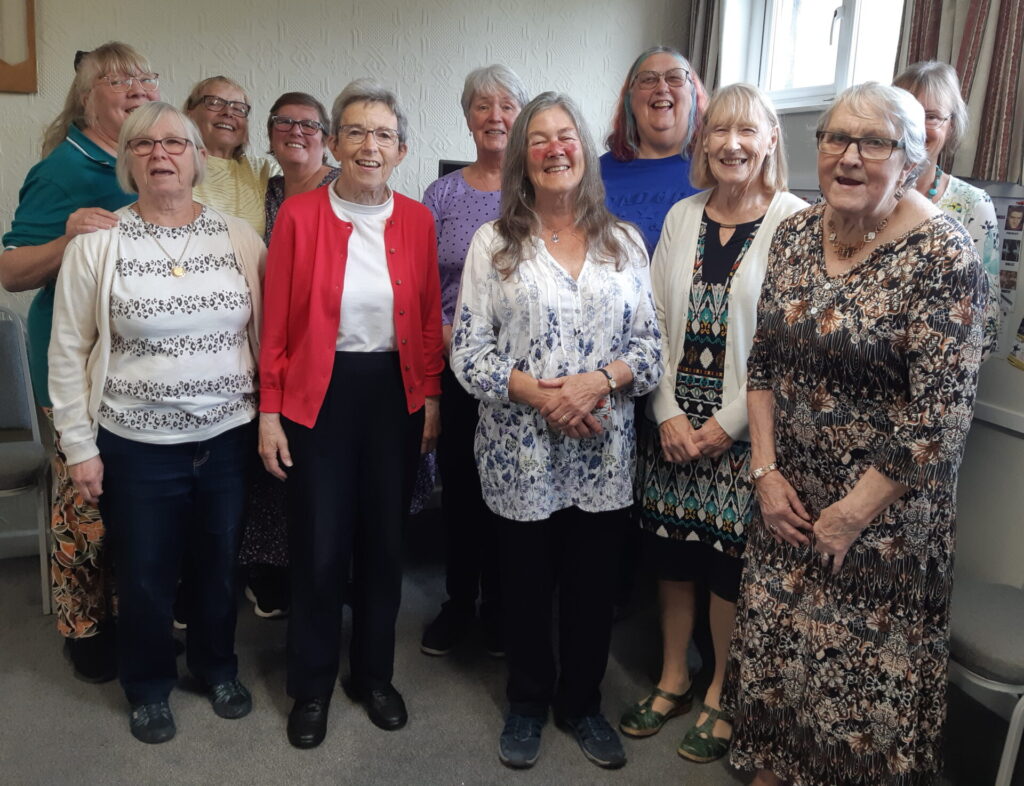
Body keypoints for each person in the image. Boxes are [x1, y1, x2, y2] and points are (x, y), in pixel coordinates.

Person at [723, 83, 987, 786]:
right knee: (779, 670)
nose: (848, 156)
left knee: (856, 711)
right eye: (836, 138)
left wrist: (850, 516)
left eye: (872, 143)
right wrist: (765, 472)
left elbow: (939, 420)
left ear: (911, 158)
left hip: (884, 528)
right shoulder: (796, 232)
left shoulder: (944, 255)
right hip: (786, 505)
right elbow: (764, 364)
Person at [451, 92, 663, 771]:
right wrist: (547, 397)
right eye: (537, 139)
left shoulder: (624, 241)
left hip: (603, 449)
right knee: (524, 583)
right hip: (520, 453)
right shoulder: (494, 242)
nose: (553, 148)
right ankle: (526, 701)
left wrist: (593, 384)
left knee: (592, 588)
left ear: (583, 151)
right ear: (523, 158)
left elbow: (651, 348)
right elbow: (470, 353)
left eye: (565, 135)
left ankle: (581, 704)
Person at [47, 102, 266, 744]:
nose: (161, 154)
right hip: (137, 444)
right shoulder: (97, 243)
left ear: (198, 158)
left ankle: (216, 666)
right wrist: (80, 447)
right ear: (128, 162)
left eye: (175, 142)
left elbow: (267, 332)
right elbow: (67, 351)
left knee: (218, 564)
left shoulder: (239, 237)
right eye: (144, 145)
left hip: (227, 436)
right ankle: (146, 686)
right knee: (143, 573)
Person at [621, 84, 805, 764]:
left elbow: (787, 344)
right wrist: (665, 410)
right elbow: (650, 323)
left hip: (742, 432)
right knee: (672, 555)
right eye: (719, 129)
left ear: (769, 141)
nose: (732, 142)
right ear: (702, 142)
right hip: (672, 426)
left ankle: (722, 690)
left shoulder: (795, 222)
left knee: (728, 568)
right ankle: (674, 674)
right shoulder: (682, 215)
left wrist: (725, 425)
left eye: (746, 130)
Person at [258, 79, 443, 749]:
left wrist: (429, 398)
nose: (370, 146)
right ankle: (310, 685)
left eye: (384, 135)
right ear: (333, 143)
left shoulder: (418, 220)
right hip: (318, 395)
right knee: (319, 544)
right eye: (357, 133)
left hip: (393, 394)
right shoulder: (301, 217)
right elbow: (275, 323)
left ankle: (373, 675)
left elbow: (425, 319)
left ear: (401, 149)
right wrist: (270, 412)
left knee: (384, 543)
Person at [0, 41, 160, 683]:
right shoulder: (64, 167)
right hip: (68, 364)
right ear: (85, 95)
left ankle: (127, 619)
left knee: (126, 504)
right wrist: (67, 237)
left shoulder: (144, 160)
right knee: (81, 506)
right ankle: (85, 633)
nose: (135, 87)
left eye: (144, 76)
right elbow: (12, 270)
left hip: (128, 369)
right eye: (118, 79)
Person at [419, 64, 529, 659]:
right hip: (458, 364)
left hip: (523, 373)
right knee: (462, 488)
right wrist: (440, 334)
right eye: (482, 106)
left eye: (506, 105)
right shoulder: (444, 195)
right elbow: (417, 280)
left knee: (513, 488)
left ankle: (503, 608)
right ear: (467, 118)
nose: (494, 116)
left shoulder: (540, 191)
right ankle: (460, 602)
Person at [239, 91, 339, 620]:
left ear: (327, 136)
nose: (295, 132)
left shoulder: (345, 189)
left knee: (316, 476)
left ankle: (321, 579)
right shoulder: (265, 190)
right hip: (263, 346)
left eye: (309, 124)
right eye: (283, 122)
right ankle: (272, 572)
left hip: (324, 358)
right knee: (272, 469)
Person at [894, 61, 1001, 355]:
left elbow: (987, 318)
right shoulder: (861, 199)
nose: (916, 127)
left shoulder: (973, 205)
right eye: (907, 113)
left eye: (931, 116)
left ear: (950, 126)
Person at [601, 45, 708, 255]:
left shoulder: (715, 170)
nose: (662, 87)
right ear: (629, 99)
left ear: (693, 94)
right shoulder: (593, 175)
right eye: (648, 79)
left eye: (675, 77)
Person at [184, 76, 278, 237]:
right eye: (214, 102)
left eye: (238, 108)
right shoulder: (170, 165)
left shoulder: (265, 171)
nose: (227, 112)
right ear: (190, 113)